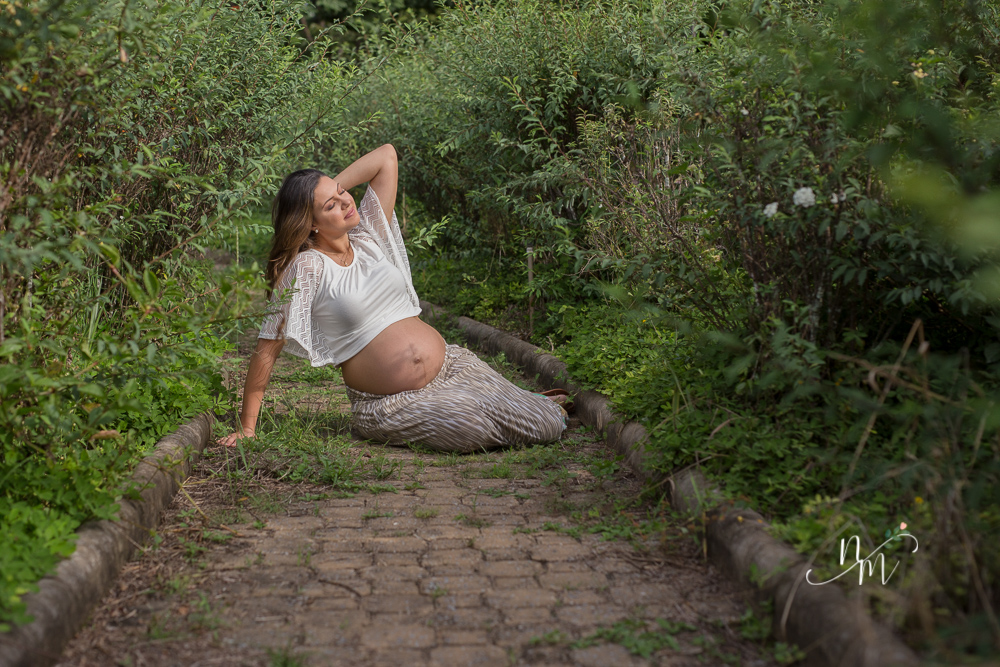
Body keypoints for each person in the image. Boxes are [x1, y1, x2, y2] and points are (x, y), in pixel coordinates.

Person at [218, 145, 567, 453]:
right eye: (331, 206)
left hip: (453, 368)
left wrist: (326, 192)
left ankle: (517, 406)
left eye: (343, 193)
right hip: (388, 403)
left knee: (548, 425)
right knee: (471, 425)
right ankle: (497, 407)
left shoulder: (370, 234)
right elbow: (267, 349)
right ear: (310, 223)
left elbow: (386, 156)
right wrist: (248, 428)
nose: (345, 203)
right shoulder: (307, 267)